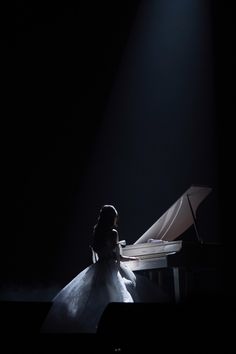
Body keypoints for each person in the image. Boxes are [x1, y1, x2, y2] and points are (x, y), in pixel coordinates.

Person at [41, 205, 168, 333]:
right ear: (112, 218)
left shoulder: (97, 233)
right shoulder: (113, 233)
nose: (116, 220)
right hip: (110, 270)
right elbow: (118, 257)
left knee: (98, 301)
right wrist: (133, 258)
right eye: (115, 217)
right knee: (118, 296)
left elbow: (101, 253)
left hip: (98, 269)